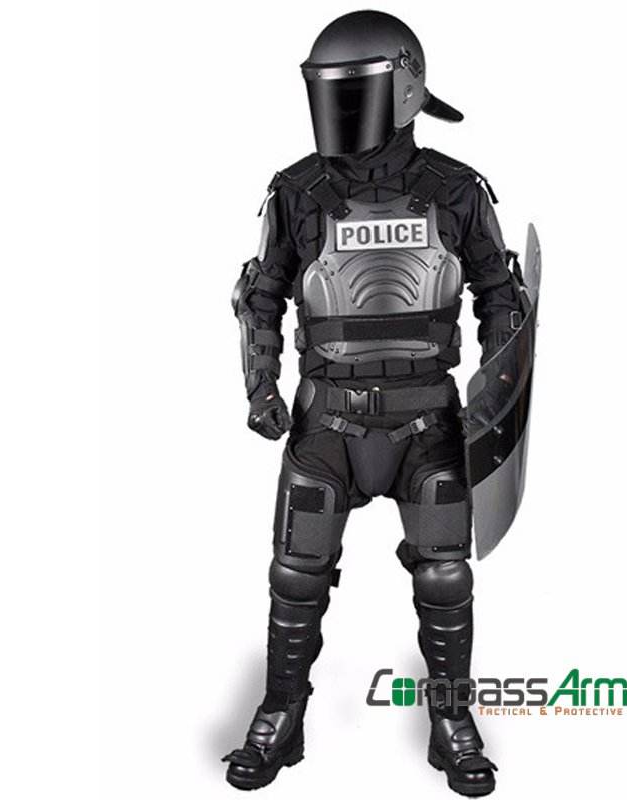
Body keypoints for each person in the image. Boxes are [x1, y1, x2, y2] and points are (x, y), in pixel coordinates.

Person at [222, 11, 528, 796]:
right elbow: (259, 297)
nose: (341, 109)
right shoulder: (297, 190)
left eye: (355, 91)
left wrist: (495, 392)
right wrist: (259, 388)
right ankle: (282, 711)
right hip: (326, 419)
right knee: (296, 575)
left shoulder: (456, 190)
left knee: (445, 577)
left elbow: (502, 298)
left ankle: (452, 721)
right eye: (332, 93)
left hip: (430, 420)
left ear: (406, 90)